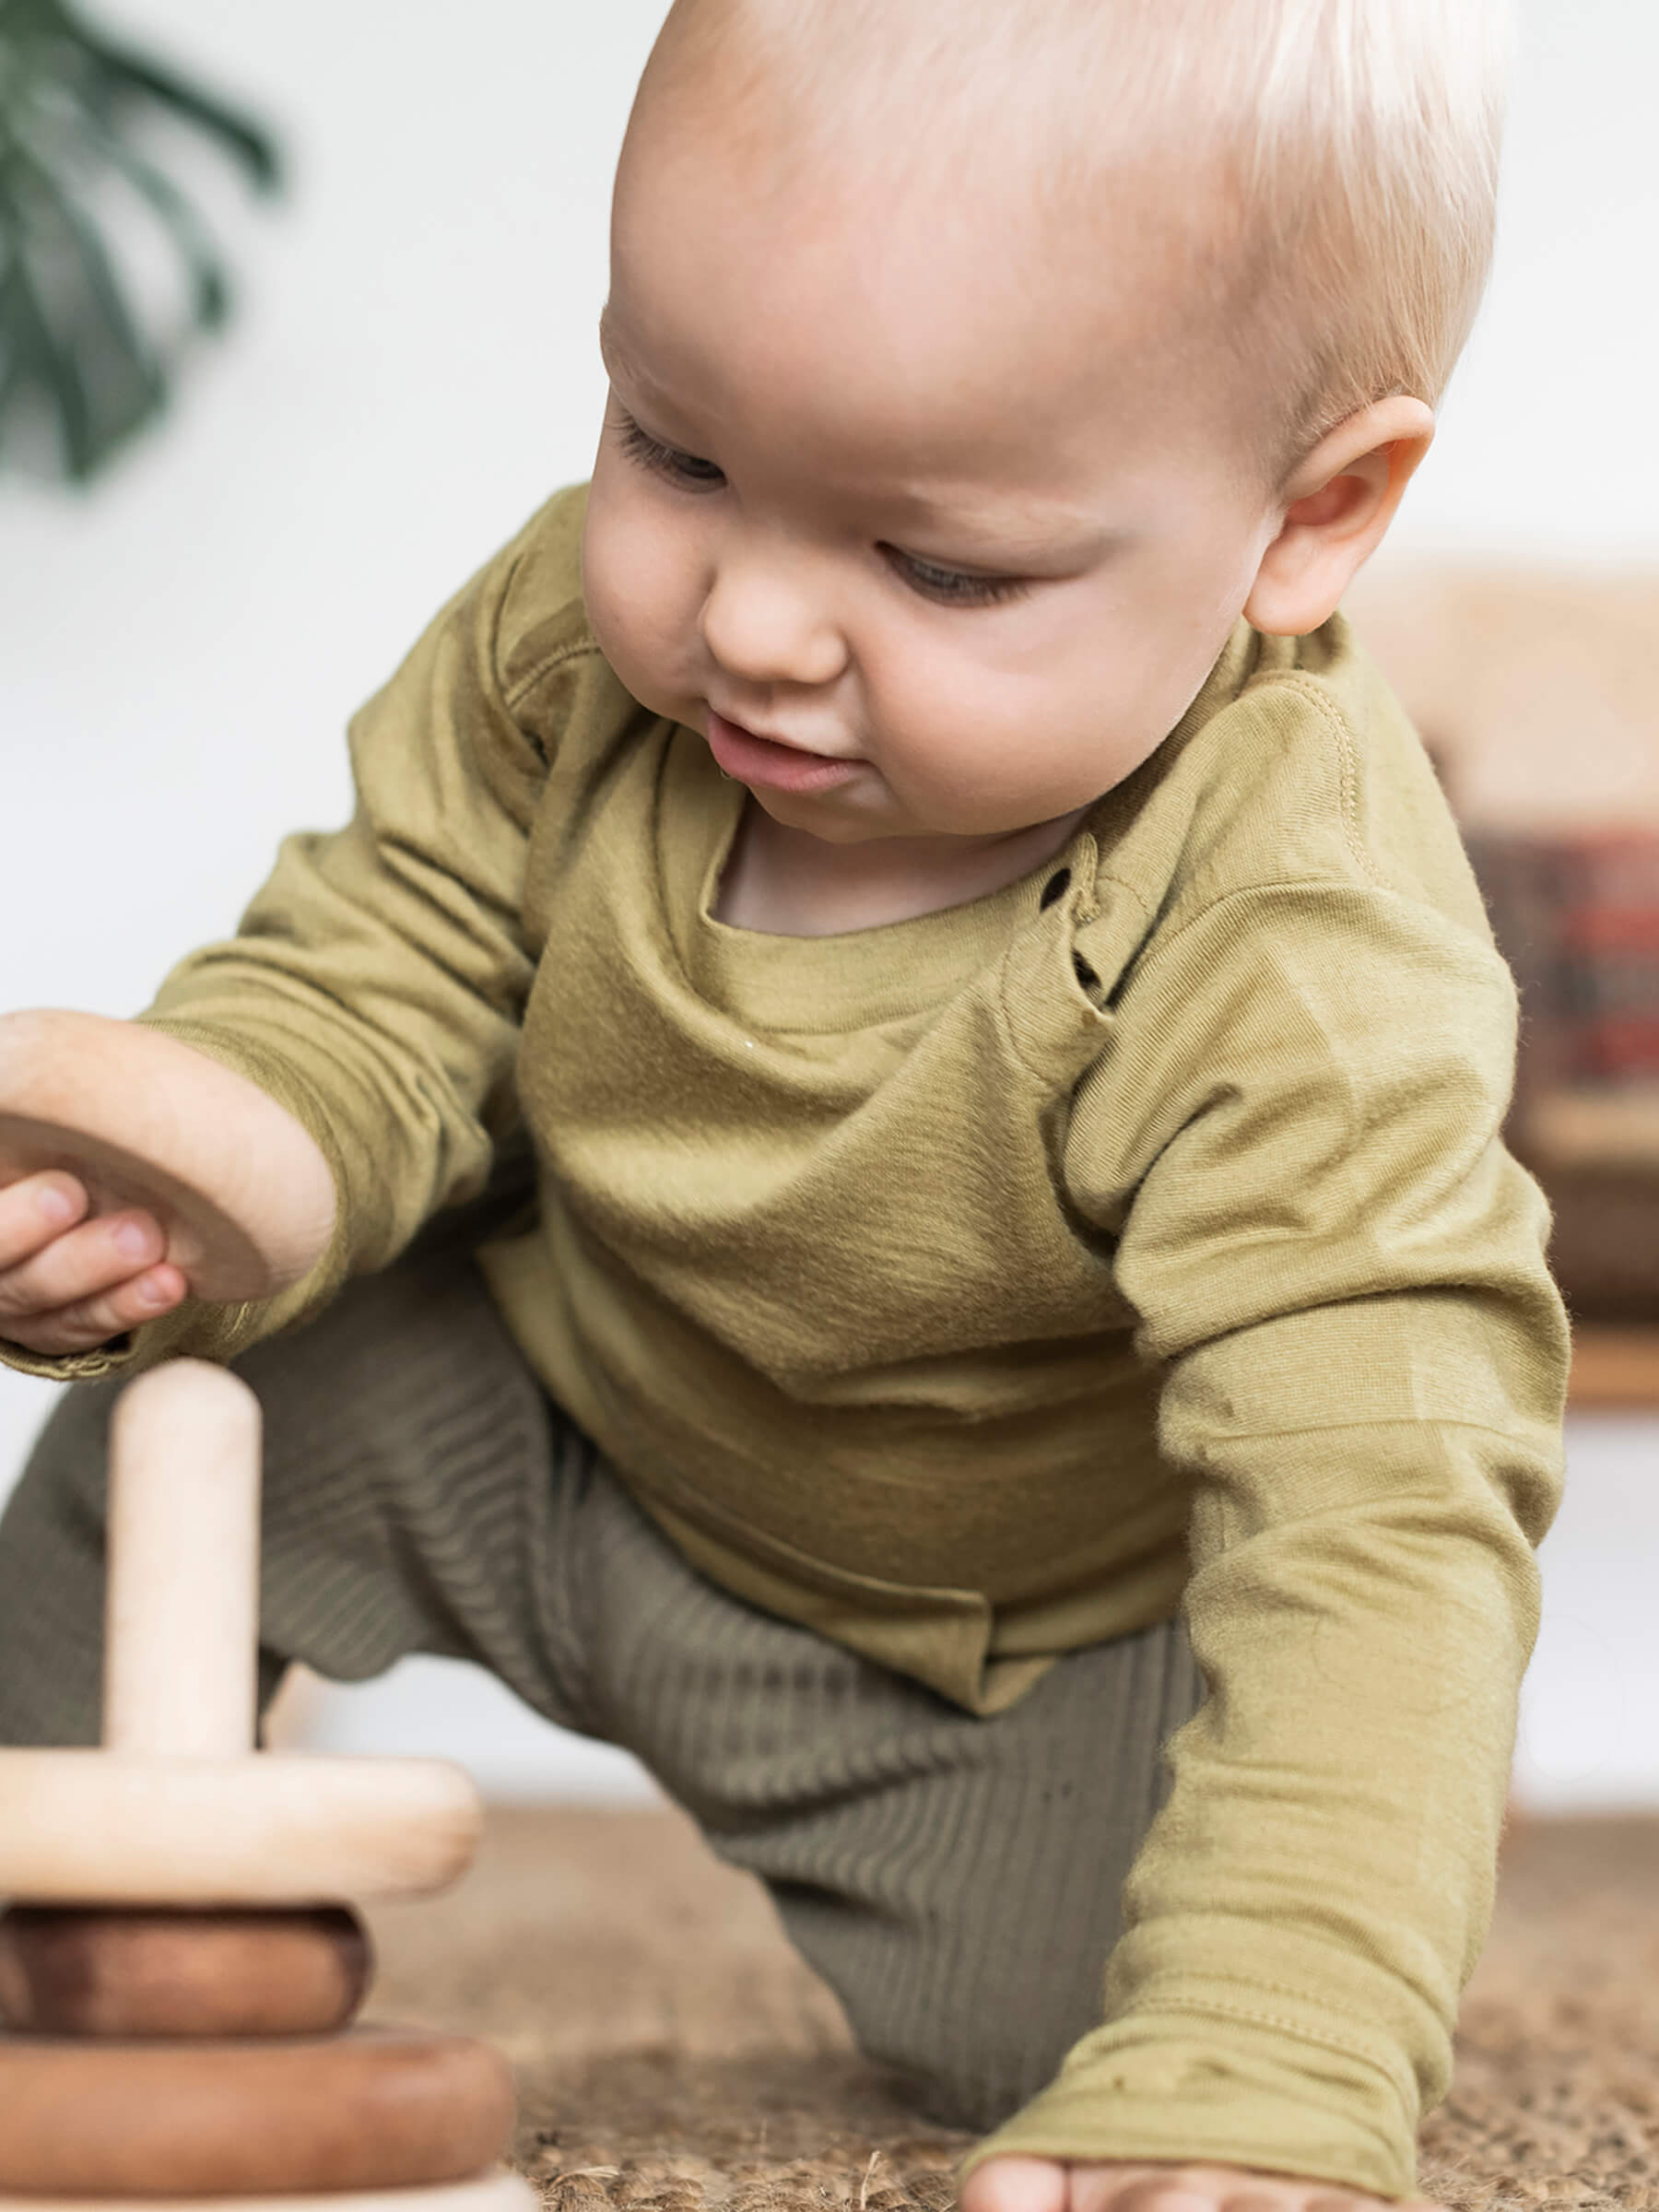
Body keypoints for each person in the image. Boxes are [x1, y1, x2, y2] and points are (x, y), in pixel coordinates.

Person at [0, 3, 1567, 2207]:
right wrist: (198, 1182)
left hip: (990, 1659)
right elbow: (388, 966)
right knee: (199, 1410)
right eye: (678, 450)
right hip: (545, 1425)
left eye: (940, 566)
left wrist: (1274, 2042)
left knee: (1097, 2049)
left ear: (1314, 517)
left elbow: (1375, 1483)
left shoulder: (1287, 922)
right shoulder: (568, 656)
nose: (749, 624)